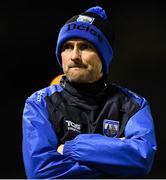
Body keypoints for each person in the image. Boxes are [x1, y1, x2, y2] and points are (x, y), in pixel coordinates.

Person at [22, 6, 157, 179]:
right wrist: (114, 156)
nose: (74, 56)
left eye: (85, 46)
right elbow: (40, 172)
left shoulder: (134, 106)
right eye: (68, 47)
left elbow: (141, 160)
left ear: (104, 55)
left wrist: (72, 148)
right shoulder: (39, 103)